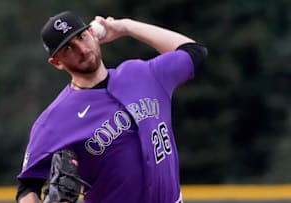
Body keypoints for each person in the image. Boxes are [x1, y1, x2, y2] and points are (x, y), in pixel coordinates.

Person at [16, 10, 207, 203]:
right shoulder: (53, 121)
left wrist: (125, 26)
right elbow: (26, 187)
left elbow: (194, 52)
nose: (81, 49)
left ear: (92, 34)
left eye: (81, 37)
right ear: (56, 62)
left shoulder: (145, 74)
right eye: (68, 48)